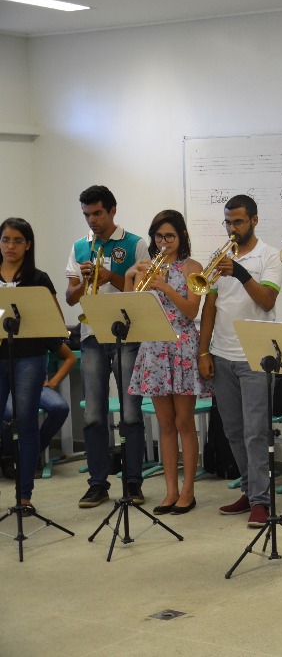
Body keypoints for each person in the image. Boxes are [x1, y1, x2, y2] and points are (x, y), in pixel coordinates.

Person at [199, 194, 282, 528]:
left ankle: (262, 500)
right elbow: (210, 306)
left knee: (255, 432)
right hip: (222, 355)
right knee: (233, 430)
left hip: (256, 357)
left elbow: (267, 300)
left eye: (238, 222)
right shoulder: (218, 258)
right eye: (228, 222)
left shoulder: (270, 256)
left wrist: (240, 272)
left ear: (254, 220)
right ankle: (250, 491)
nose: (232, 228)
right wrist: (203, 351)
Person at [65, 185, 149, 508]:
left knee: (131, 413)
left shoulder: (135, 243)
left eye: (98, 213)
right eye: (87, 214)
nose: (92, 220)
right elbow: (71, 297)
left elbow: (142, 292)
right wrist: (86, 281)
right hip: (91, 336)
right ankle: (98, 483)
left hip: (128, 335)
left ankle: (133, 482)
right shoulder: (79, 247)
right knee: (93, 415)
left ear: (113, 211)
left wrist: (111, 277)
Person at [126, 210, 212, 515]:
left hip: (182, 346)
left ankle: (188, 491)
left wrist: (164, 287)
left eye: (170, 236)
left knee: (183, 423)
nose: (163, 242)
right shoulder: (147, 267)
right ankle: (170, 490)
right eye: (158, 236)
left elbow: (191, 310)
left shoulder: (193, 267)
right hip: (153, 348)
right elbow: (132, 309)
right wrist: (131, 276)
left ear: (182, 236)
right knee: (164, 425)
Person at [0, 218, 65, 509]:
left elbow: (56, 323)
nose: (10, 246)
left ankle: (24, 496)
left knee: (26, 424)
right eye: (5, 240)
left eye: (17, 241)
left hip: (29, 357)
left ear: (28, 245)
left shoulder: (38, 279)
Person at [2, 340, 75, 479]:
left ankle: (32, 452)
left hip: (36, 386)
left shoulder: (39, 332)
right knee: (9, 413)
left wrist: (53, 382)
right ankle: (8, 456)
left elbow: (70, 357)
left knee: (60, 408)